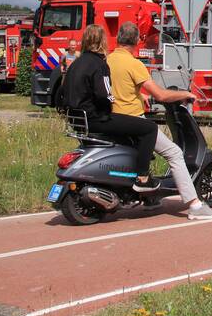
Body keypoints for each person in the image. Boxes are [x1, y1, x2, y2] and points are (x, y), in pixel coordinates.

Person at [106, 22, 212, 220]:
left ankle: (150, 198)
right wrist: (185, 94)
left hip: (114, 119)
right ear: (137, 41)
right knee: (174, 153)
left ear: (118, 39)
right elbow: (160, 95)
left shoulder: (108, 60)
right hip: (133, 120)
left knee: (145, 154)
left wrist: (140, 96)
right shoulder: (134, 64)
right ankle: (195, 206)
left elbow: (119, 88)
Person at [61, 24, 159, 192]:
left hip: (77, 121)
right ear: (103, 41)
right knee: (149, 128)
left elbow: (60, 95)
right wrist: (111, 105)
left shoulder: (75, 64)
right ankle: (143, 178)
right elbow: (104, 95)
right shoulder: (100, 64)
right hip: (96, 119)